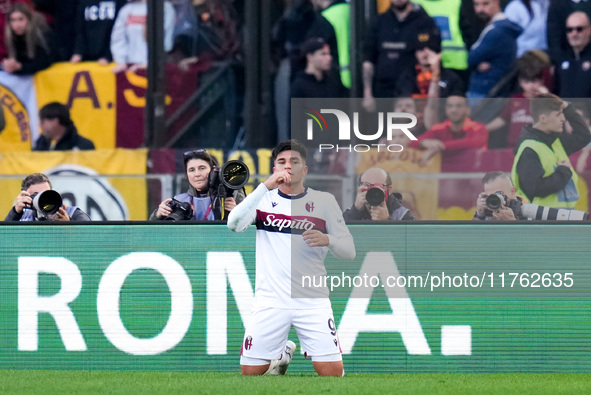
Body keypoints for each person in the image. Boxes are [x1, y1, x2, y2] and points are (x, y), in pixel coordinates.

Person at [227, 139, 355, 377]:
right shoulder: (263, 200)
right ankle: (282, 354)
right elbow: (233, 224)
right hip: (270, 300)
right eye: (282, 162)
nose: (288, 166)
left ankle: (283, 352)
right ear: (274, 168)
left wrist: (329, 239)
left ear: (304, 169)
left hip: (312, 300)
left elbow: (349, 251)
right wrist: (264, 187)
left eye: (294, 162)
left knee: (332, 375)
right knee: (250, 374)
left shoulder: (324, 201)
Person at [511, 93, 591, 208]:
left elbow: (584, 136)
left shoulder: (556, 141)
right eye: (559, 114)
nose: (563, 118)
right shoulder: (529, 148)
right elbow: (536, 188)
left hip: (561, 217)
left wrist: (567, 108)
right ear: (543, 119)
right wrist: (563, 172)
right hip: (541, 220)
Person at [362, 0, 440, 112]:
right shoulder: (379, 22)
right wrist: (367, 93)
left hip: (412, 92)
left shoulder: (424, 22)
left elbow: (432, 56)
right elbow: (368, 59)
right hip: (383, 92)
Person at [150, 149, 243, 221]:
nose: (197, 174)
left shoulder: (233, 197)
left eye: (202, 168)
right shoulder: (179, 201)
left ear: (213, 171)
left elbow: (252, 229)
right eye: (191, 170)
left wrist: (239, 213)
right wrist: (158, 215)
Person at [465, 0, 522, 103]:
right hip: (493, 89)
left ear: (496, 2)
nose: (480, 9)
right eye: (476, 4)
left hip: (486, 90)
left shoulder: (496, 30)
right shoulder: (500, 27)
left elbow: (471, 58)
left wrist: (475, 63)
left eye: (485, 4)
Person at [409, 95, 489, 166]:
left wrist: (440, 146)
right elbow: (411, 143)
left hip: (472, 172)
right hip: (444, 175)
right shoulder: (439, 128)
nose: (454, 110)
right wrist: (423, 143)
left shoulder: (478, 128)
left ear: (467, 110)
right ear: (446, 110)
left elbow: (472, 143)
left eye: (459, 106)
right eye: (450, 106)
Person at [110, 0, 176, 73]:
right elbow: (118, 38)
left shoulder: (164, 7)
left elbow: (167, 42)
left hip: (155, 71)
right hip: (130, 67)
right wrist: (121, 61)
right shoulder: (127, 9)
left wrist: (151, 63)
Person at [4, 172, 91, 221]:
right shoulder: (22, 217)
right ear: (26, 197)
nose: (43, 198)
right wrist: (15, 212)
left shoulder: (72, 213)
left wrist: (69, 225)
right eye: (36, 195)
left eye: (46, 193)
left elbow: (91, 237)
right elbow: (4, 238)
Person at [343, 167, 416, 222]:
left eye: (377, 187)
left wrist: (387, 221)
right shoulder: (350, 213)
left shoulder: (401, 214)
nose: (372, 191)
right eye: (367, 186)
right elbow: (340, 237)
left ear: (389, 190)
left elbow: (413, 240)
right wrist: (355, 211)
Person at [1, 2, 54, 75]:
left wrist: (20, 67)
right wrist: (10, 64)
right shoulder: (11, 35)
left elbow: (45, 61)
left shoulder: (40, 33)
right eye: (13, 20)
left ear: (29, 19)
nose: (17, 25)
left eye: (21, 19)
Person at [70, 0, 127, 65]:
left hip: (113, 58)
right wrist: (79, 52)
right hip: (87, 56)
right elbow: (80, 29)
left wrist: (108, 55)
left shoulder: (119, 2)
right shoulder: (84, 3)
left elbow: (120, 33)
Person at [554, 11, 591, 98]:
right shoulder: (561, 59)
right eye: (569, 30)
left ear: (589, 30)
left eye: (579, 29)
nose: (574, 34)